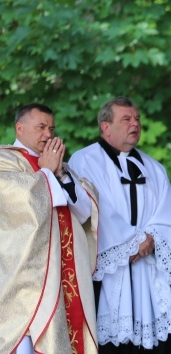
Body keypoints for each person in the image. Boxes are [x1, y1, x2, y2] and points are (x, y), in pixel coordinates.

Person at [69, 97, 171, 353]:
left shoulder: (154, 168)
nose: (135, 124)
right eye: (126, 119)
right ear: (105, 127)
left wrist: (152, 239)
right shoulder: (84, 160)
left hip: (147, 274)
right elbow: (95, 209)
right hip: (110, 274)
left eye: (137, 119)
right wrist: (131, 245)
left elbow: (168, 215)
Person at [0, 103, 99, 354]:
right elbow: (16, 202)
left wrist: (61, 175)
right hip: (25, 279)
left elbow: (85, 211)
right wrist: (47, 172)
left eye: (51, 128)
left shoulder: (59, 166)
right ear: (19, 128)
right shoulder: (5, 159)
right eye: (41, 127)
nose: (48, 134)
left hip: (64, 275)